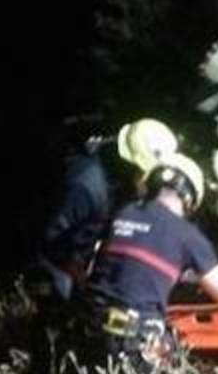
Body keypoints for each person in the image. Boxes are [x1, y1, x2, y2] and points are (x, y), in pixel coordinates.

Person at [69, 152, 218, 374]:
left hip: (86, 332)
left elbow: (97, 266)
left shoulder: (121, 215)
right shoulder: (188, 236)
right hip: (134, 343)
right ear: (189, 199)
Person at [38, 118, 179, 301]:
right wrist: (80, 277)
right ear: (129, 165)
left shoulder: (115, 180)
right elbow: (48, 241)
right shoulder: (86, 186)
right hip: (55, 260)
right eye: (145, 174)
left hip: (82, 251)